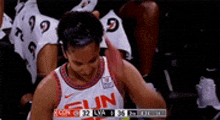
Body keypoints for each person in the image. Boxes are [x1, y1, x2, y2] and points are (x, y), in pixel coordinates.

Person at [30, 11, 166, 120]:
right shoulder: (48, 89)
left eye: (92, 60)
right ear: (65, 53)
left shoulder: (119, 69)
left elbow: (160, 114)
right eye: (78, 63)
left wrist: (127, 79)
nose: (87, 70)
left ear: (99, 48)